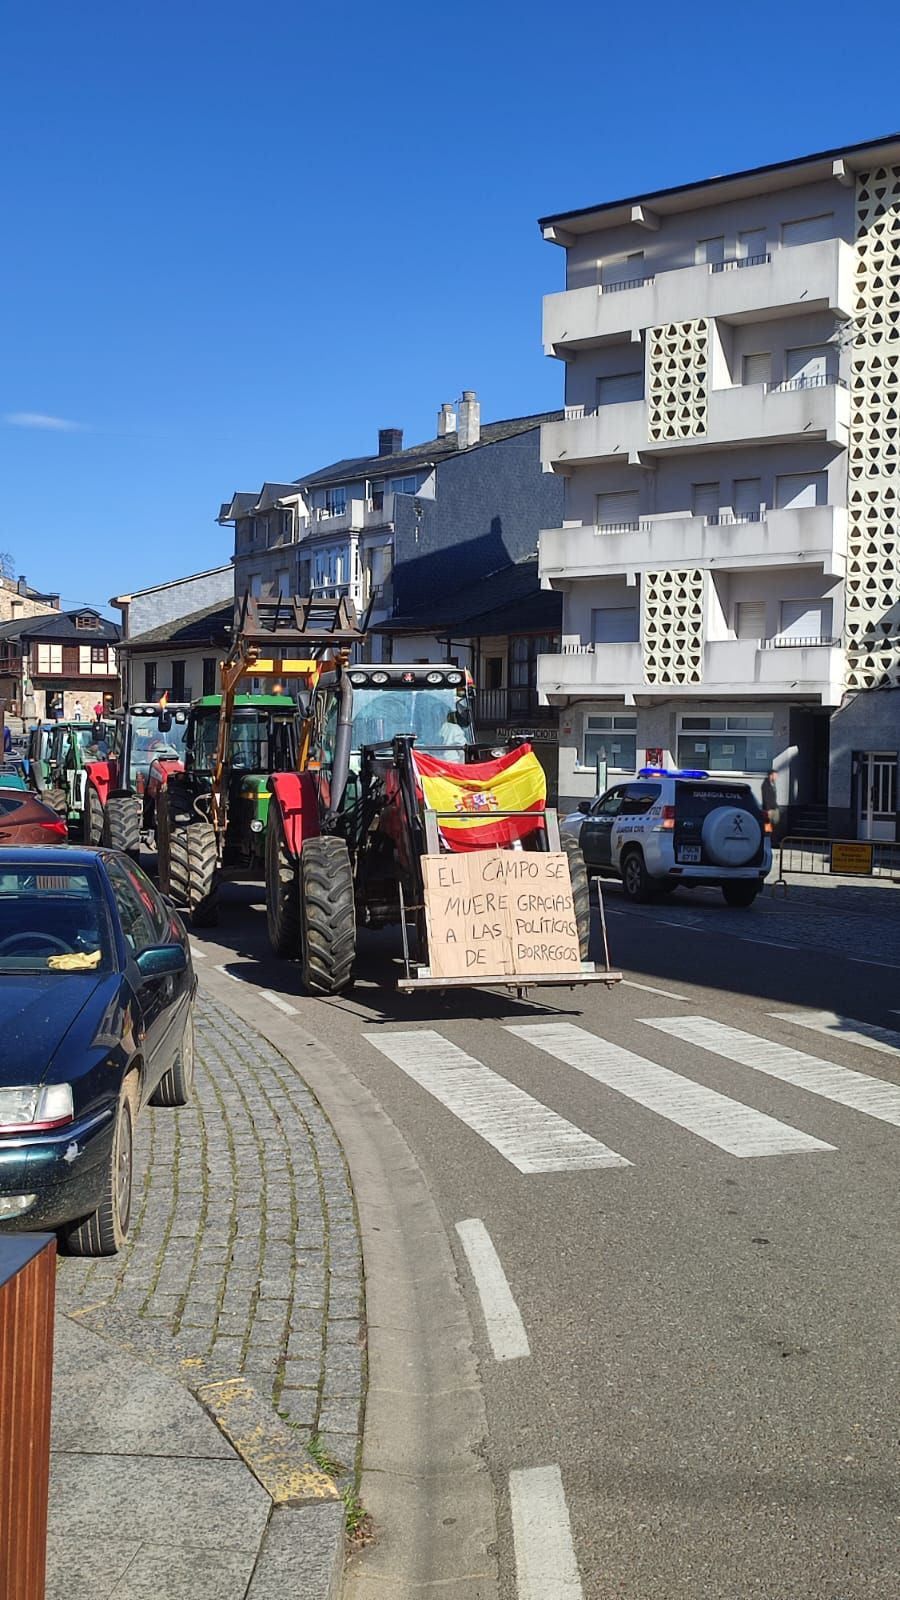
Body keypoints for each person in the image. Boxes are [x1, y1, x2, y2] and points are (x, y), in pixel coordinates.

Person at [761, 769, 780, 838]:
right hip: (768, 809)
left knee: (775, 825)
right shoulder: (765, 784)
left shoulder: (773, 784)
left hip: (774, 807)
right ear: (771, 775)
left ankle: (774, 839)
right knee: (768, 825)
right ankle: (767, 838)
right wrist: (767, 809)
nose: (776, 777)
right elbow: (765, 797)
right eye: (775, 775)